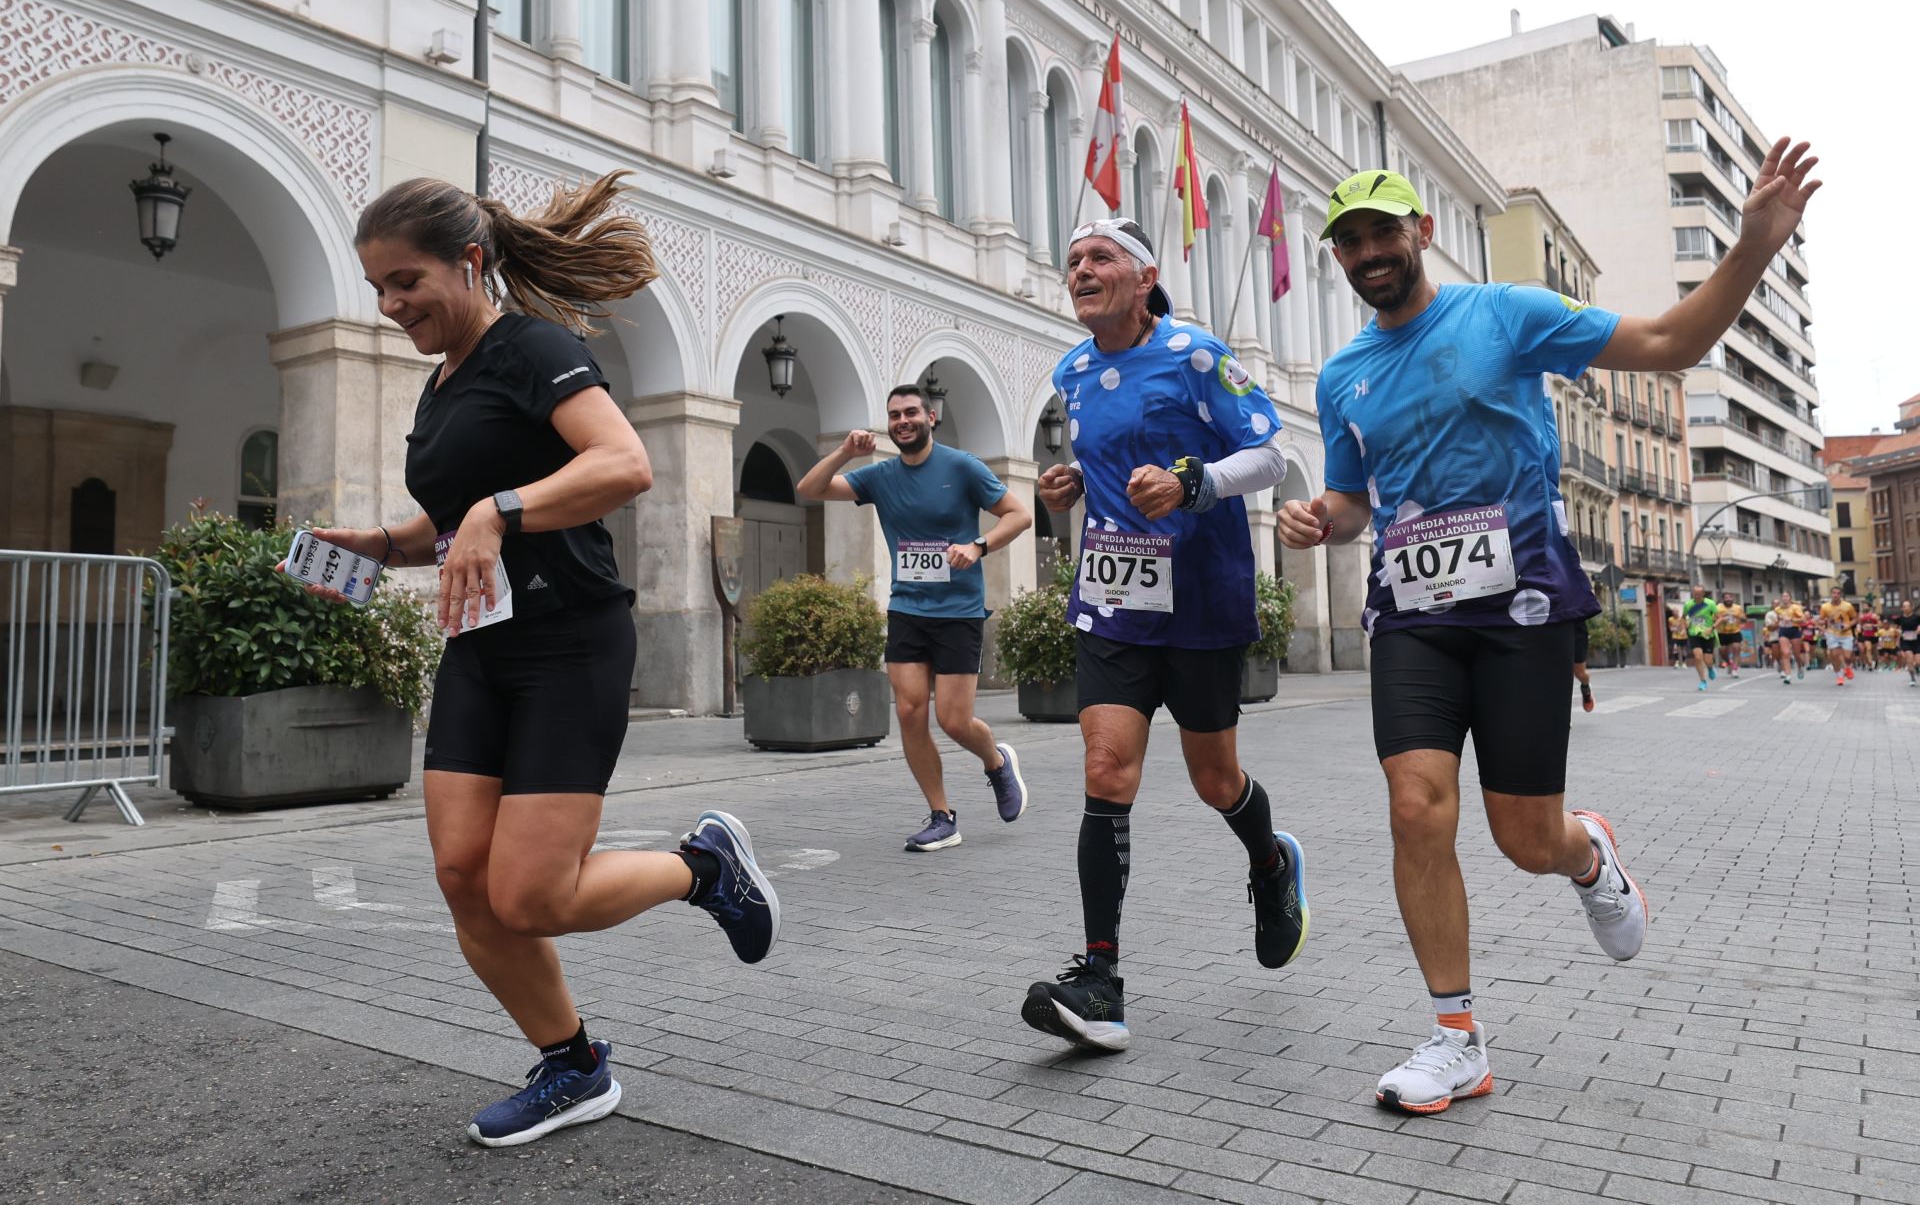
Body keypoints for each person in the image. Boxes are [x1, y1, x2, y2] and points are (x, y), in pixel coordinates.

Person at [1281, 138, 1817, 1116]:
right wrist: (1326, 517)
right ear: (1338, 257)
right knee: (1415, 805)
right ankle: (1456, 1039)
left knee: (1524, 836)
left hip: (1521, 597)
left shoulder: (1508, 312)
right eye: (1348, 241)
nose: (1367, 253)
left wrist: (1752, 248)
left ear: (1422, 234)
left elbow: (1665, 345)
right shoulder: (1342, 376)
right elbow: (1353, 501)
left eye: (1382, 232)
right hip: (1410, 609)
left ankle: (1587, 854)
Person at [287, 173, 780, 1148]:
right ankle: (574, 1065)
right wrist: (380, 546)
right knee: (465, 877)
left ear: (470, 264)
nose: (390, 307)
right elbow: (453, 508)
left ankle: (701, 866)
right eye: (378, 287)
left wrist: (496, 512)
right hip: (479, 647)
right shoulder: (440, 387)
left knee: (531, 894)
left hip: (570, 644)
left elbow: (623, 464)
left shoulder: (533, 348)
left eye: (406, 281)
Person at [1022, 217, 1307, 1054]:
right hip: (1114, 596)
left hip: (1201, 598)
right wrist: (1067, 485)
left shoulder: (1195, 353)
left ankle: (1270, 862)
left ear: (1144, 277)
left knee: (1215, 780)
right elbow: (1106, 463)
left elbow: (1274, 456)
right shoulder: (1071, 371)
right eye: (1071, 259)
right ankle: (1100, 979)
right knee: (1106, 767)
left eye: (1098, 258)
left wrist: (1192, 482)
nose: (1080, 269)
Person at [796, 386, 1034, 851]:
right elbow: (809, 489)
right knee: (908, 711)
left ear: (930, 416)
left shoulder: (961, 466)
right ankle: (942, 816)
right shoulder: (880, 476)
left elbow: (1019, 514)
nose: (902, 420)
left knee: (954, 720)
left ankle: (997, 763)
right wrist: (845, 451)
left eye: (910, 412)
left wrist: (978, 546)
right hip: (907, 608)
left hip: (959, 611)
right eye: (894, 415)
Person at [1683, 584, 1720, 692]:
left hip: (1708, 634)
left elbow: (1719, 619)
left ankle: (1710, 668)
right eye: (1695, 594)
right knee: (1698, 657)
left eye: (1699, 594)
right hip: (1694, 634)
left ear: (1703, 594)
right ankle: (1703, 681)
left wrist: (1712, 627)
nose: (1697, 596)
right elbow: (1683, 618)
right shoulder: (1688, 605)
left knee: (1708, 659)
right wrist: (1684, 627)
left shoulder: (1710, 604)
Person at [1820, 587, 1858, 686]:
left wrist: (1848, 625)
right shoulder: (1825, 607)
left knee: (1847, 656)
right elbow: (1820, 620)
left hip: (1846, 634)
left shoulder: (1848, 606)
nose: (1835, 595)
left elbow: (1855, 618)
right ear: (1831, 594)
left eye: (1837, 593)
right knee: (1835, 655)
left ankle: (1847, 667)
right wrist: (1824, 625)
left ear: (1840, 595)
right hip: (1832, 633)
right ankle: (1839, 676)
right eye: (1833, 593)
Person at [1773, 592, 1807, 683]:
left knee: (1797, 655)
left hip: (1794, 630)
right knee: (1785, 653)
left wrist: (1791, 619)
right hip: (1783, 631)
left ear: (1790, 598)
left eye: (1787, 596)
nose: (1785, 598)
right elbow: (1777, 620)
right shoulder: (1777, 609)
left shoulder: (1795, 607)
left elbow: (1803, 619)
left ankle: (1799, 666)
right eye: (1783, 596)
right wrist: (1775, 624)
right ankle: (1788, 675)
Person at [1713, 591, 1745, 679]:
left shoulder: (1738, 608)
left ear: (1733, 599)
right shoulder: (1718, 608)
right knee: (1722, 651)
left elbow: (1744, 619)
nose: (1728, 599)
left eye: (1730, 598)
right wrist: (1721, 618)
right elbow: (1713, 620)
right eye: (1726, 598)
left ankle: (1735, 669)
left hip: (1735, 631)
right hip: (1722, 632)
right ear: (1723, 599)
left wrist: (1736, 616)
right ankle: (1729, 664)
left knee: (1736, 647)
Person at [1897, 600, 1920, 685]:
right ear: (1902, 608)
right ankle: (1912, 678)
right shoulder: (1900, 619)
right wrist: (1898, 632)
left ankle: (1916, 668)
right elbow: (1898, 628)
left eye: (1907, 606)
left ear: (1911, 607)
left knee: (1918, 662)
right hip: (1906, 642)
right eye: (1904, 606)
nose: (1905, 608)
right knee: (1909, 659)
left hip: (1917, 641)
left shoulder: (1917, 617)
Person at [1858, 603, 1881, 672]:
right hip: (1865, 634)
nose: (1864, 607)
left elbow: (1880, 624)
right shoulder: (1861, 616)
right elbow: (1860, 624)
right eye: (1863, 606)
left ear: (1869, 607)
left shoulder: (1874, 616)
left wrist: (1872, 625)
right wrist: (1860, 628)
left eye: (1866, 606)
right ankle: (1870, 664)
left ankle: (1876, 661)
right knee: (1868, 648)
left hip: (1874, 634)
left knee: (1874, 650)